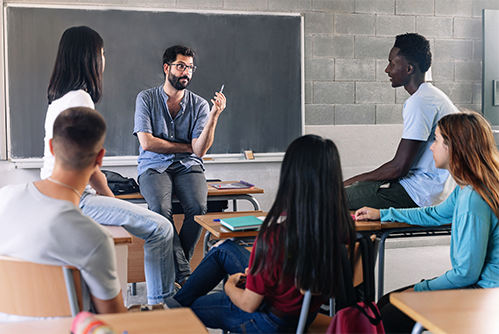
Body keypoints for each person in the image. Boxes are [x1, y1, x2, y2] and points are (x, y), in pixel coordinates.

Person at [164, 135, 356, 333]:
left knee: (191, 309)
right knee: (223, 249)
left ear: (291, 176)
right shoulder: (344, 226)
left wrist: (230, 286)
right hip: (305, 312)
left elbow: (248, 304)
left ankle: (174, 310)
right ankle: (175, 305)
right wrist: (259, 272)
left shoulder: (276, 238)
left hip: (269, 321)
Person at [40, 26, 175, 305]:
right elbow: (88, 166)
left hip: (53, 194)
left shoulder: (59, 98)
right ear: (90, 58)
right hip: (77, 198)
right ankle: (161, 307)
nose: (104, 59)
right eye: (102, 53)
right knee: (162, 228)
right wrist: (112, 200)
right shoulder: (80, 99)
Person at [355, 111, 499, 334]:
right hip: (480, 288)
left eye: (437, 139)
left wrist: (421, 288)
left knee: (388, 314)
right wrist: (383, 214)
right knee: (385, 303)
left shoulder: (473, 200)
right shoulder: (470, 187)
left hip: (484, 295)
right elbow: (433, 214)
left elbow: (465, 274)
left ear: (455, 148)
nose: (431, 147)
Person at [0, 107, 127, 319]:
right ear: (100, 158)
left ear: (51, 147)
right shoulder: (94, 238)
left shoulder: (3, 197)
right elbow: (114, 318)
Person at [134, 45, 226, 286]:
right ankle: (184, 274)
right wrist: (187, 146)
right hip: (153, 166)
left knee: (198, 208)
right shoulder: (146, 98)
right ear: (167, 68)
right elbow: (147, 142)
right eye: (181, 66)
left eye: (190, 67)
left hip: (188, 166)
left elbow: (200, 150)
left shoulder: (199, 105)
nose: (186, 72)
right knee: (160, 208)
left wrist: (214, 116)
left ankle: (177, 268)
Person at [344, 33, 458, 210]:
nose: (387, 70)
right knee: (354, 190)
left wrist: (346, 183)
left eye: (392, 63)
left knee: (332, 198)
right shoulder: (433, 96)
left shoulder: (419, 101)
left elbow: (398, 168)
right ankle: (363, 239)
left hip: (420, 194)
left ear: (409, 69)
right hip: (433, 189)